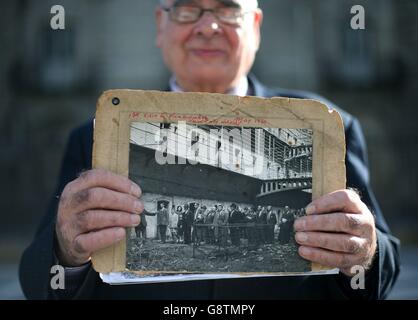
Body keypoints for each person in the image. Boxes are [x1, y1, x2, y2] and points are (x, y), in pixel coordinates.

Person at [20, 0, 400, 299]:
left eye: (227, 10)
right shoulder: (91, 137)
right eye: (188, 10)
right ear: (160, 25)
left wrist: (362, 253)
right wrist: (66, 251)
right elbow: (41, 285)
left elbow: (380, 278)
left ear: (255, 26)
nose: (208, 26)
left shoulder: (333, 128)